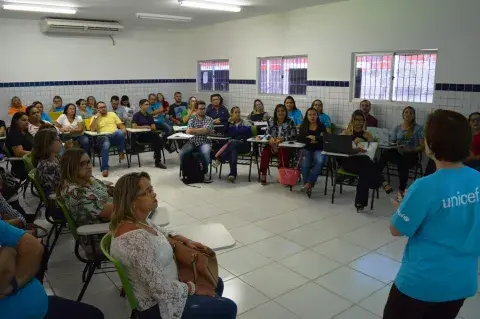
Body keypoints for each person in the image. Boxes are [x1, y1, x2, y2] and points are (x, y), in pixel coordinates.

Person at [383, 109, 480, 319]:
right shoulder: (477, 179)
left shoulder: (425, 186)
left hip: (421, 285)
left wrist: (403, 206)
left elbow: (397, 229)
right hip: (461, 282)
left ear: (431, 144)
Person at [109, 172, 237, 319]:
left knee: (217, 282)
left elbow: (161, 231)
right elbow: (159, 290)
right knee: (228, 307)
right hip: (158, 306)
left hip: (170, 284)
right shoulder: (134, 239)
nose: (154, 193)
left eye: (152, 189)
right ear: (132, 201)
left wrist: (185, 240)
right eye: (148, 191)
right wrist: (193, 288)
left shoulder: (138, 221)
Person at [0, 220, 105, 319]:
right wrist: (9, 253)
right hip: (26, 312)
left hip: (36, 301)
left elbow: (33, 247)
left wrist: (13, 282)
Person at [340, 110, 392, 212]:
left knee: (365, 169)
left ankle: (360, 204)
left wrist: (364, 143)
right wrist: (354, 145)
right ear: (352, 120)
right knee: (366, 163)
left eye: (361, 120)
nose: (359, 122)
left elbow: (372, 151)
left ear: (364, 121)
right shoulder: (346, 133)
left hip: (363, 163)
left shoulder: (368, 135)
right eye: (356, 120)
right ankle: (382, 181)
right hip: (349, 162)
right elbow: (342, 151)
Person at [57, 148, 114, 227]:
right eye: (83, 164)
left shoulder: (86, 178)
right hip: (104, 230)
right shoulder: (76, 192)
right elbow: (113, 210)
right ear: (71, 167)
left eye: (89, 162)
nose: (89, 166)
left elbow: (108, 190)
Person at [377, 106, 424, 198]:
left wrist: (410, 149)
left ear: (414, 116)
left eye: (411, 113)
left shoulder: (418, 128)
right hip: (398, 152)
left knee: (403, 160)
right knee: (386, 153)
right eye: (406, 112)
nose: (408, 114)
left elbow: (422, 146)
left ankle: (401, 188)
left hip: (411, 155)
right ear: (403, 115)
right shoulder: (397, 127)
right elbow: (392, 142)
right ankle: (381, 180)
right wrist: (393, 145)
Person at [257, 104, 296, 185]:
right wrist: (269, 138)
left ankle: (282, 174)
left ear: (286, 112)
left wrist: (283, 139)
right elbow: (267, 134)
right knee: (264, 153)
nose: (280, 113)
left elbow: (294, 136)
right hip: (272, 145)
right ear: (275, 112)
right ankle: (263, 174)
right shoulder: (271, 121)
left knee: (283, 153)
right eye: (278, 111)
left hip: (284, 146)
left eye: (282, 111)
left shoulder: (290, 122)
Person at [212, 106, 252, 182]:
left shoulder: (246, 123)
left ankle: (220, 158)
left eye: (239, 112)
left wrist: (237, 134)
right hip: (233, 146)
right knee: (233, 149)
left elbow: (248, 135)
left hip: (244, 145)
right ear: (231, 114)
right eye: (236, 112)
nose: (238, 114)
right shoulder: (230, 124)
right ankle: (232, 174)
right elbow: (225, 133)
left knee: (232, 142)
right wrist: (228, 122)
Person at [89, 101, 127, 177]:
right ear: (97, 109)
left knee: (120, 132)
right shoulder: (94, 117)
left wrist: (123, 129)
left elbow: (120, 125)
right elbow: (92, 129)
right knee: (106, 144)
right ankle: (105, 168)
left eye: (104, 107)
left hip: (114, 135)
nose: (103, 109)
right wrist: (96, 117)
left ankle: (120, 152)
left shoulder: (112, 114)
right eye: (101, 107)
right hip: (102, 137)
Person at [180, 101, 214, 180]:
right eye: (200, 109)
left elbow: (206, 130)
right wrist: (202, 130)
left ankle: (204, 171)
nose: (203, 110)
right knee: (182, 153)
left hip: (205, 142)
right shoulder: (192, 119)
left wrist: (194, 130)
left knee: (205, 153)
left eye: (204, 109)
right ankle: (185, 172)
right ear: (196, 110)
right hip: (192, 142)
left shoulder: (209, 119)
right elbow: (188, 131)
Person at [297, 107, 327, 197]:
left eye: (314, 114)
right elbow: (299, 139)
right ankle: (307, 185)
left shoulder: (321, 126)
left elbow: (324, 138)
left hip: (319, 149)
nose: (312, 116)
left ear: (317, 116)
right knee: (305, 164)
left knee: (320, 161)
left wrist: (314, 137)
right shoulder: (303, 126)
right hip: (306, 149)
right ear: (307, 116)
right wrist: (310, 140)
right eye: (310, 115)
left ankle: (309, 183)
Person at [132, 99, 167, 169]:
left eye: (148, 104)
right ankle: (157, 159)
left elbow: (153, 127)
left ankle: (158, 162)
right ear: (141, 106)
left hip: (149, 134)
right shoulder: (136, 115)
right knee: (157, 139)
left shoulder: (149, 115)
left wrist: (149, 127)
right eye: (146, 104)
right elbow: (134, 127)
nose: (148, 106)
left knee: (158, 138)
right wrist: (146, 126)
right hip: (140, 135)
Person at [31, 129, 62, 197]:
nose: (61, 142)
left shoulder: (55, 158)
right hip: (59, 198)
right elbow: (60, 187)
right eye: (58, 139)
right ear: (48, 144)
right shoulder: (47, 166)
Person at [6, 112, 32, 180]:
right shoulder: (15, 134)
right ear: (16, 121)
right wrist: (37, 153)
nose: (27, 122)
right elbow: (19, 153)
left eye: (27, 120)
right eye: (24, 120)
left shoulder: (25, 132)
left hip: (31, 160)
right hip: (23, 165)